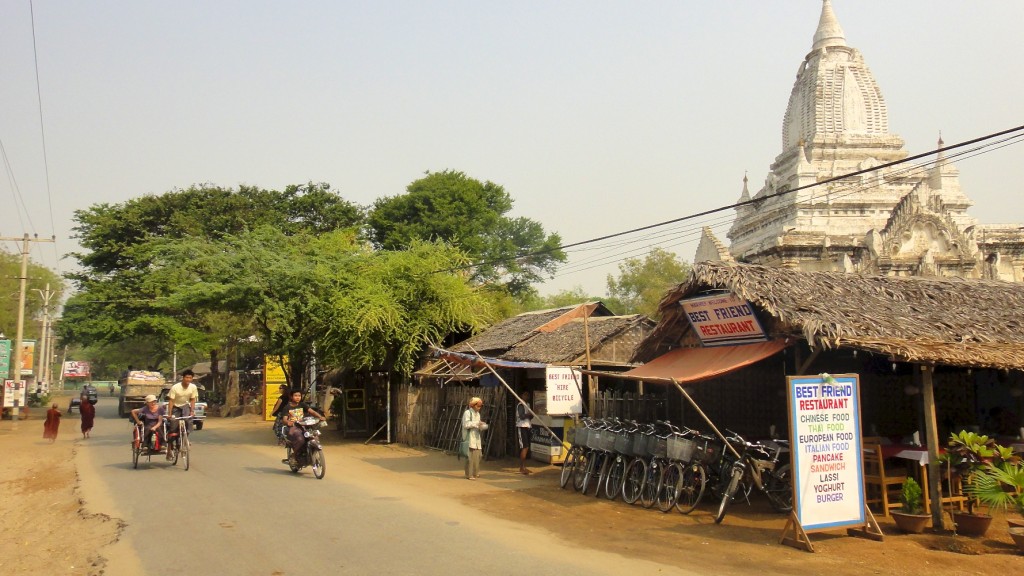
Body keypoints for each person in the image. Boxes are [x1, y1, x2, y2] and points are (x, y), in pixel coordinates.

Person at [280, 390, 325, 466]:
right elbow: (284, 419)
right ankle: (294, 456)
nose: (298, 397)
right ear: (291, 397)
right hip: (293, 427)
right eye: (295, 396)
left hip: (304, 426)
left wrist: (320, 417)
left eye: (299, 396)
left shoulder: (302, 405)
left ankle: (311, 454)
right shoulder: (287, 407)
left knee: (314, 436)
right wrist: (288, 422)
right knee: (300, 440)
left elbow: (312, 412)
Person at [166, 369, 200, 434]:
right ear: (183, 378)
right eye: (187, 377)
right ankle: (171, 439)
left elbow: (193, 400)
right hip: (176, 407)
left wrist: (192, 411)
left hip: (185, 406)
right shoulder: (175, 387)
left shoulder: (193, 387)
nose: (188, 379)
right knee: (173, 423)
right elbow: (171, 401)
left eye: (190, 378)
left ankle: (186, 436)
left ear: (192, 379)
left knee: (188, 420)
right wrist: (169, 413)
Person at [462, 397, 488, 480]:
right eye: (478, 406)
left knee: (478, 456)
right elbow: (466, 424)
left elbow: (477, 425)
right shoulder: (468, 413)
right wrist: (477, 423)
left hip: (476, 437)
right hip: (469, 437)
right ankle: (469, 475)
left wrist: (481, 426)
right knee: (470, 457)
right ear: (473, 405)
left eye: (480, 406)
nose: (479, 408)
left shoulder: (478, 414)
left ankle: (476, 473)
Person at [516, 390, 534, 475]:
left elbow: (531, 416)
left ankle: (523, 467)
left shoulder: (528, 405)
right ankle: (521, 467)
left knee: (526, 447)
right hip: (521, 426)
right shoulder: (520, 404)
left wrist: (530, 415)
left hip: (527, 426)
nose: (526, 396)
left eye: (528, 395)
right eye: (525, 394)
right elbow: (522, 416)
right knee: (524, 447)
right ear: (522, 395)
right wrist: (529, 414)